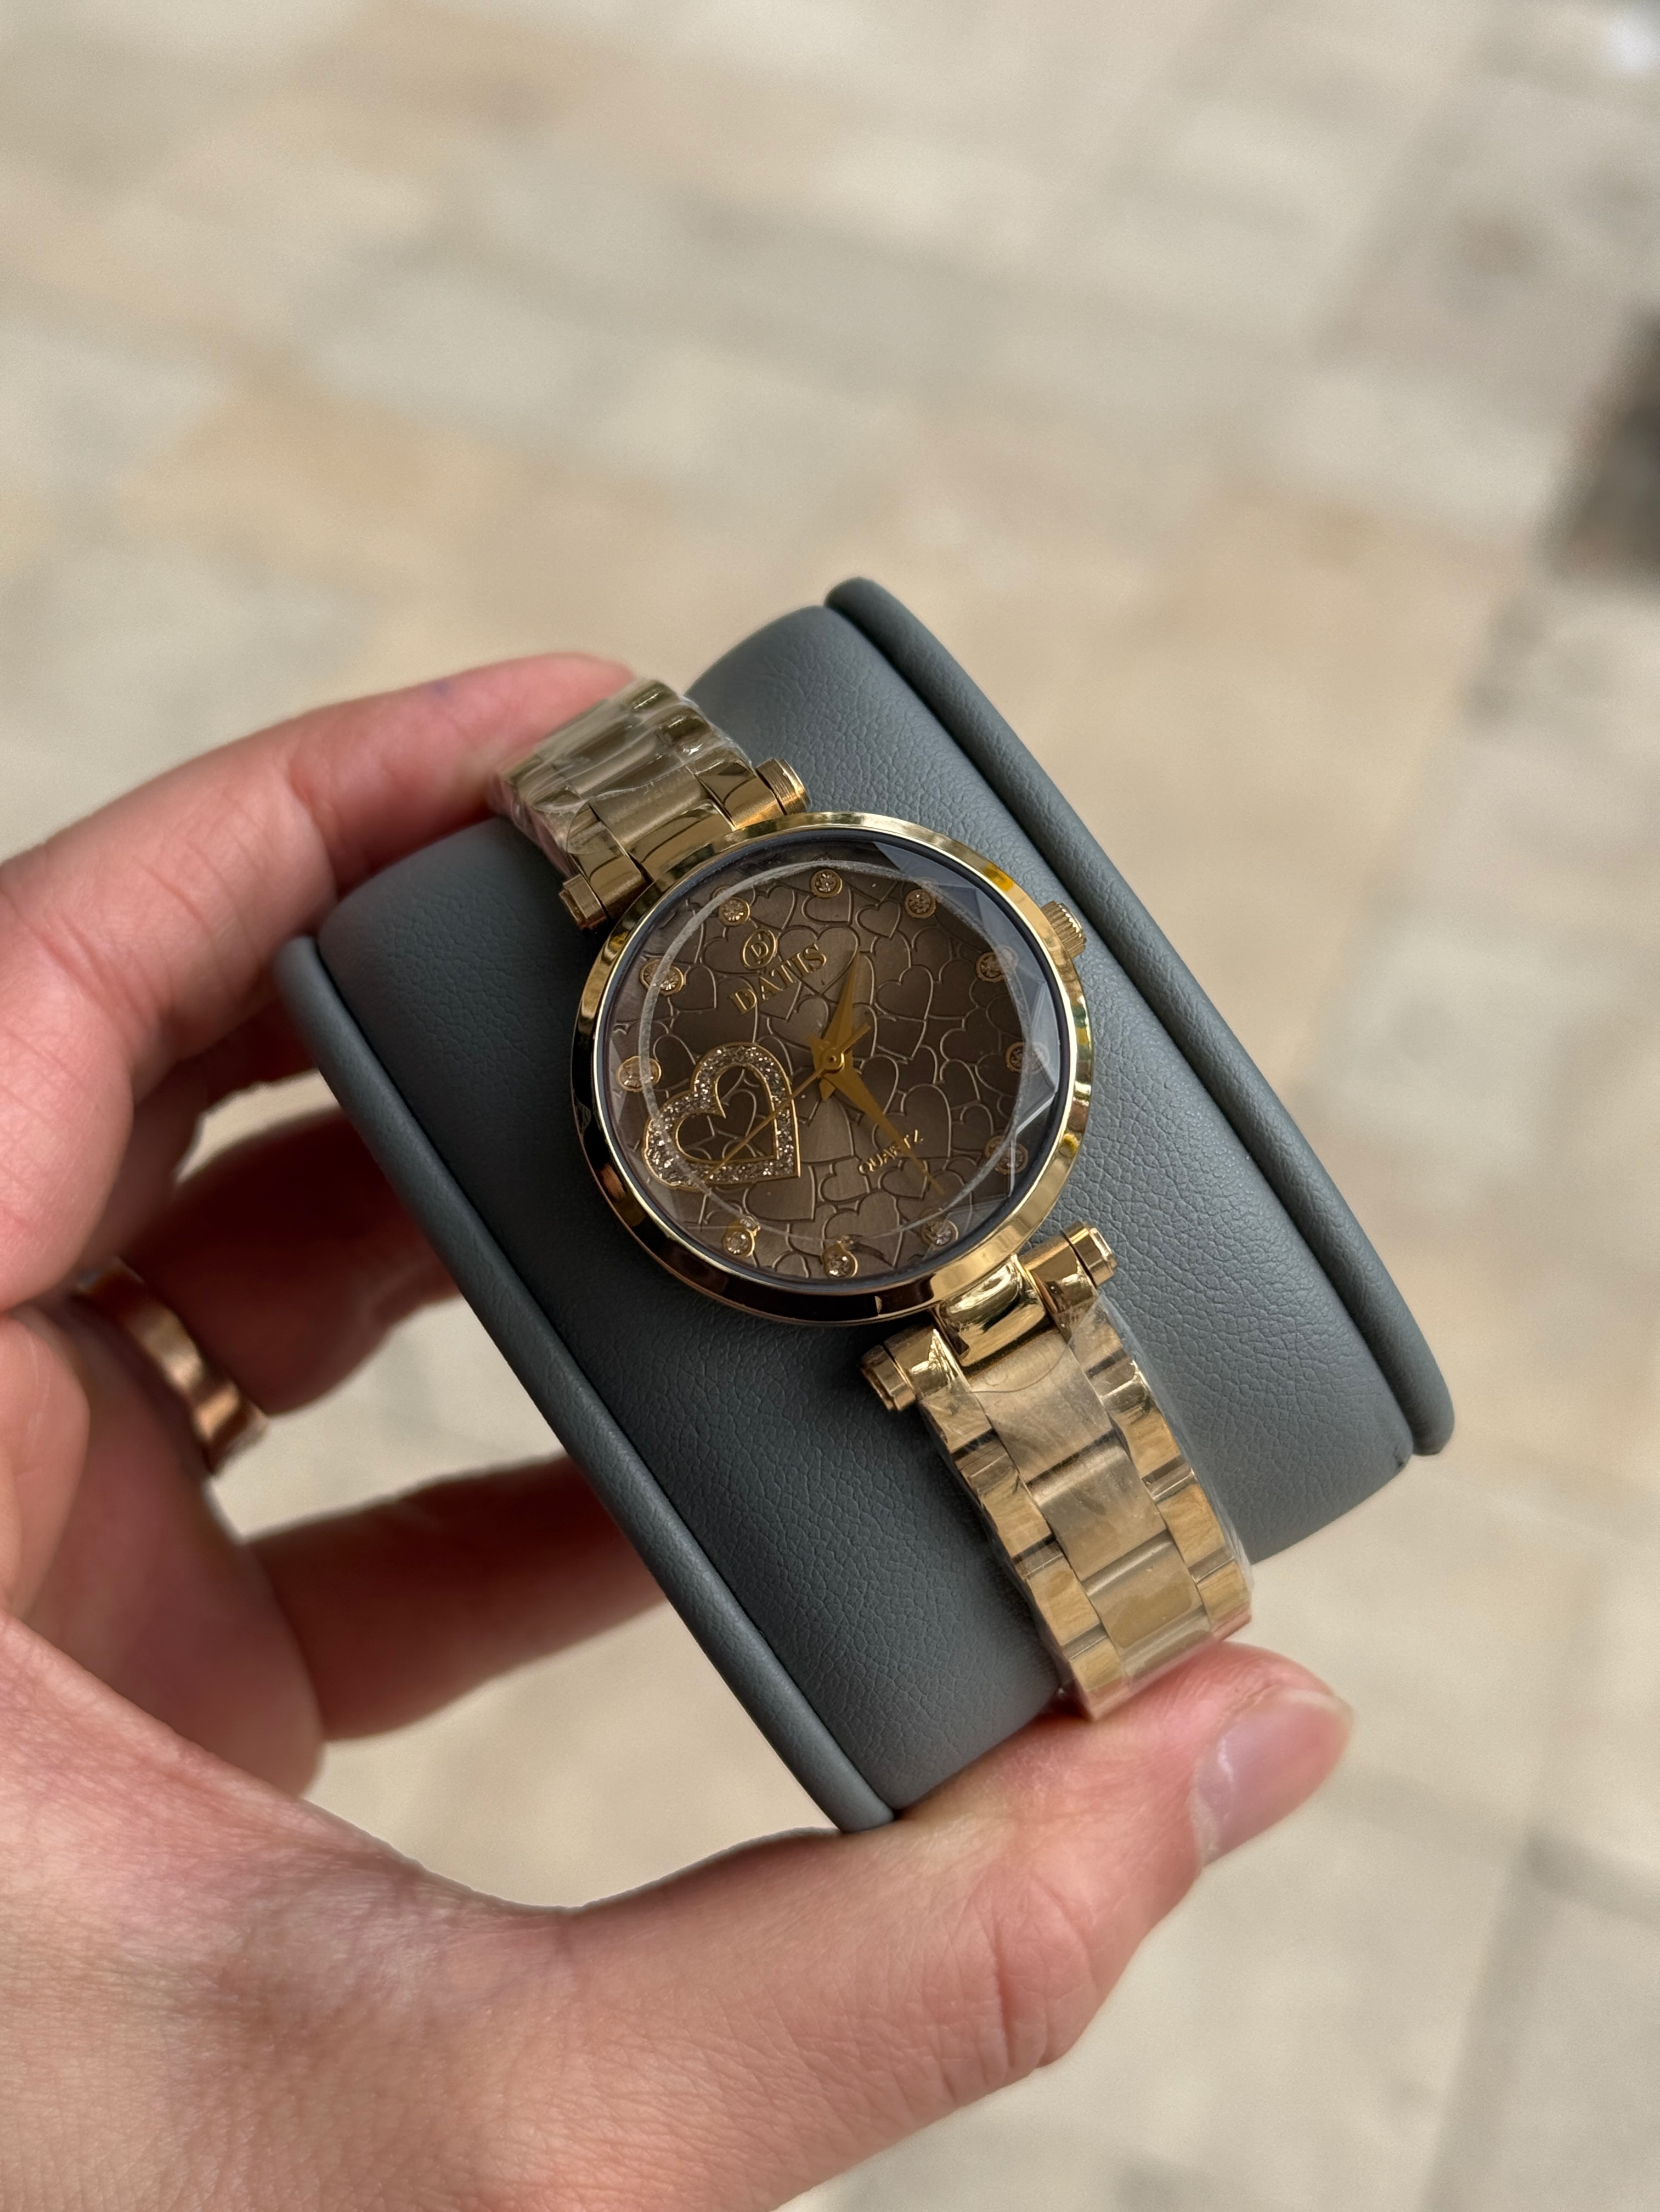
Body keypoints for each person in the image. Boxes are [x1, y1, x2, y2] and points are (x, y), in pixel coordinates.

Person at [0, 652, 1350, 2209]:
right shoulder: (685, 1075)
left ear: (1036, 940)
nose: (830, 1068)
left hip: (945, 1229)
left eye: (839, 1053)